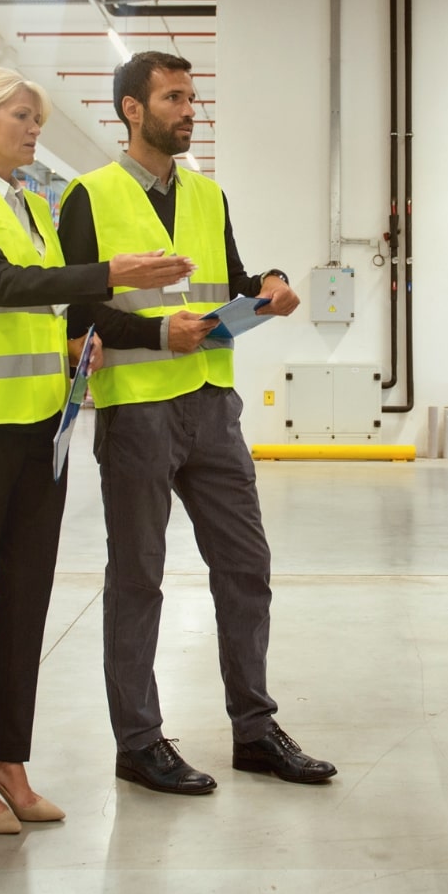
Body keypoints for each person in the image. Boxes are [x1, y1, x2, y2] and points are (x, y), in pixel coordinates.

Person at [0, 67, 192, 834]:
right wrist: (110, 273)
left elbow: (45, 300)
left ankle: (9, 761)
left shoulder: (29, 203)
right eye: (24, 116)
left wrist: (76, 342)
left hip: (41, 425)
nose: (35, 130)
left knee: (25, 598)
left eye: (39, 119)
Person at [57, 51, 336, 793]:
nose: (189, 111)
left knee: (246, 567)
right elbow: (77, 310)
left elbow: (231, 280)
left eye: (191, 98)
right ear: (132, 110)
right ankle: (138, 741)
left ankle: (254, 729)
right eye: (174, 97)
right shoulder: (89, 195)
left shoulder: (210, 196)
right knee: (138, 577)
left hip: (214, 404)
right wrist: (155, 336)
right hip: (139, 410)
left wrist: (268, 286)